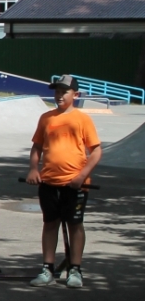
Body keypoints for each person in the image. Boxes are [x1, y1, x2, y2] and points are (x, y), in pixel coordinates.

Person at [25, 74, 102, 289]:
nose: (59, 96)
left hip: (75, 183)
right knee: (50, 224)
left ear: (75, 95)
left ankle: (75, 269)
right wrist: (33, 169)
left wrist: (80, 176)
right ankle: (47, 268)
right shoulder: (46, 118)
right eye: (56, 92)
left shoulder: (82, 119)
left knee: (75, 224)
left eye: (64, 92)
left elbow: (96, 152)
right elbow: (37, 147)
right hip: (49, 181)